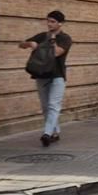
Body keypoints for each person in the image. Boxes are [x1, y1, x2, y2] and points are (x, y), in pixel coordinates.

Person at [19, 9, 73, 146]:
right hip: (41, 75)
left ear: (60, 23)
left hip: (57, 77)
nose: (49, 24)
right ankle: (54, 132)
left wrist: (53, 40)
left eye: (53, 22)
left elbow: (57, 53)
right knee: (45, 106)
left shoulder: (65, 38)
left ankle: (47, 134)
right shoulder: (42, 36)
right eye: (48, 21)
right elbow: (21, 44)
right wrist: (30, 44)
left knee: (53, 105)